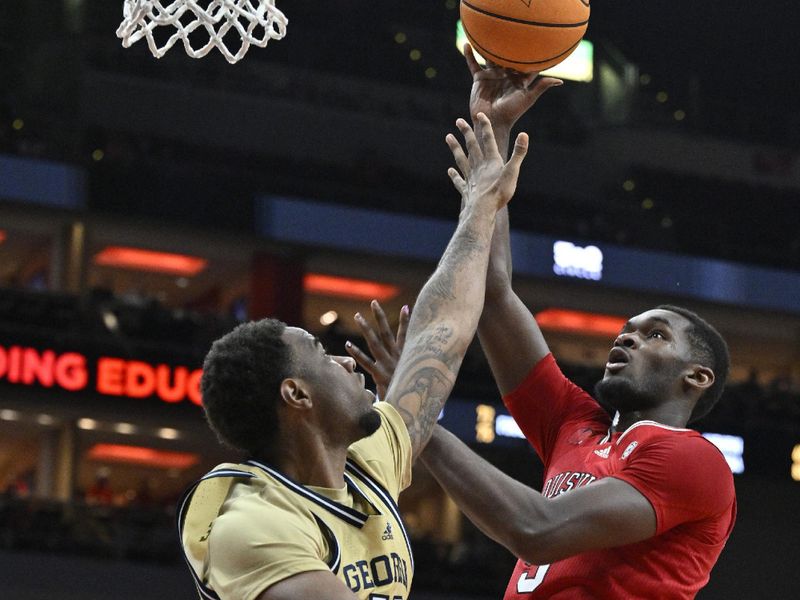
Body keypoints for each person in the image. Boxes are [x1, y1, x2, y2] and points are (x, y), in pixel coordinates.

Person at [417, 47, 737, 599]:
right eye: (628, 329)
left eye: (655, 334)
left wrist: (414, 416)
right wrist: (492, 138)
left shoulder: (693, 461)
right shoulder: (576, 423)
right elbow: (493, 298)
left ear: (697, 376)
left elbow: (538, 531)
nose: (627, 337)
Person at [178, 113, 532, 600]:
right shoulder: (251, 525)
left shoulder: (364, 464)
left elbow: (442, 332)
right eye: (322, 355)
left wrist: (482, 204)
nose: (346, 362)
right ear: (296, 394)